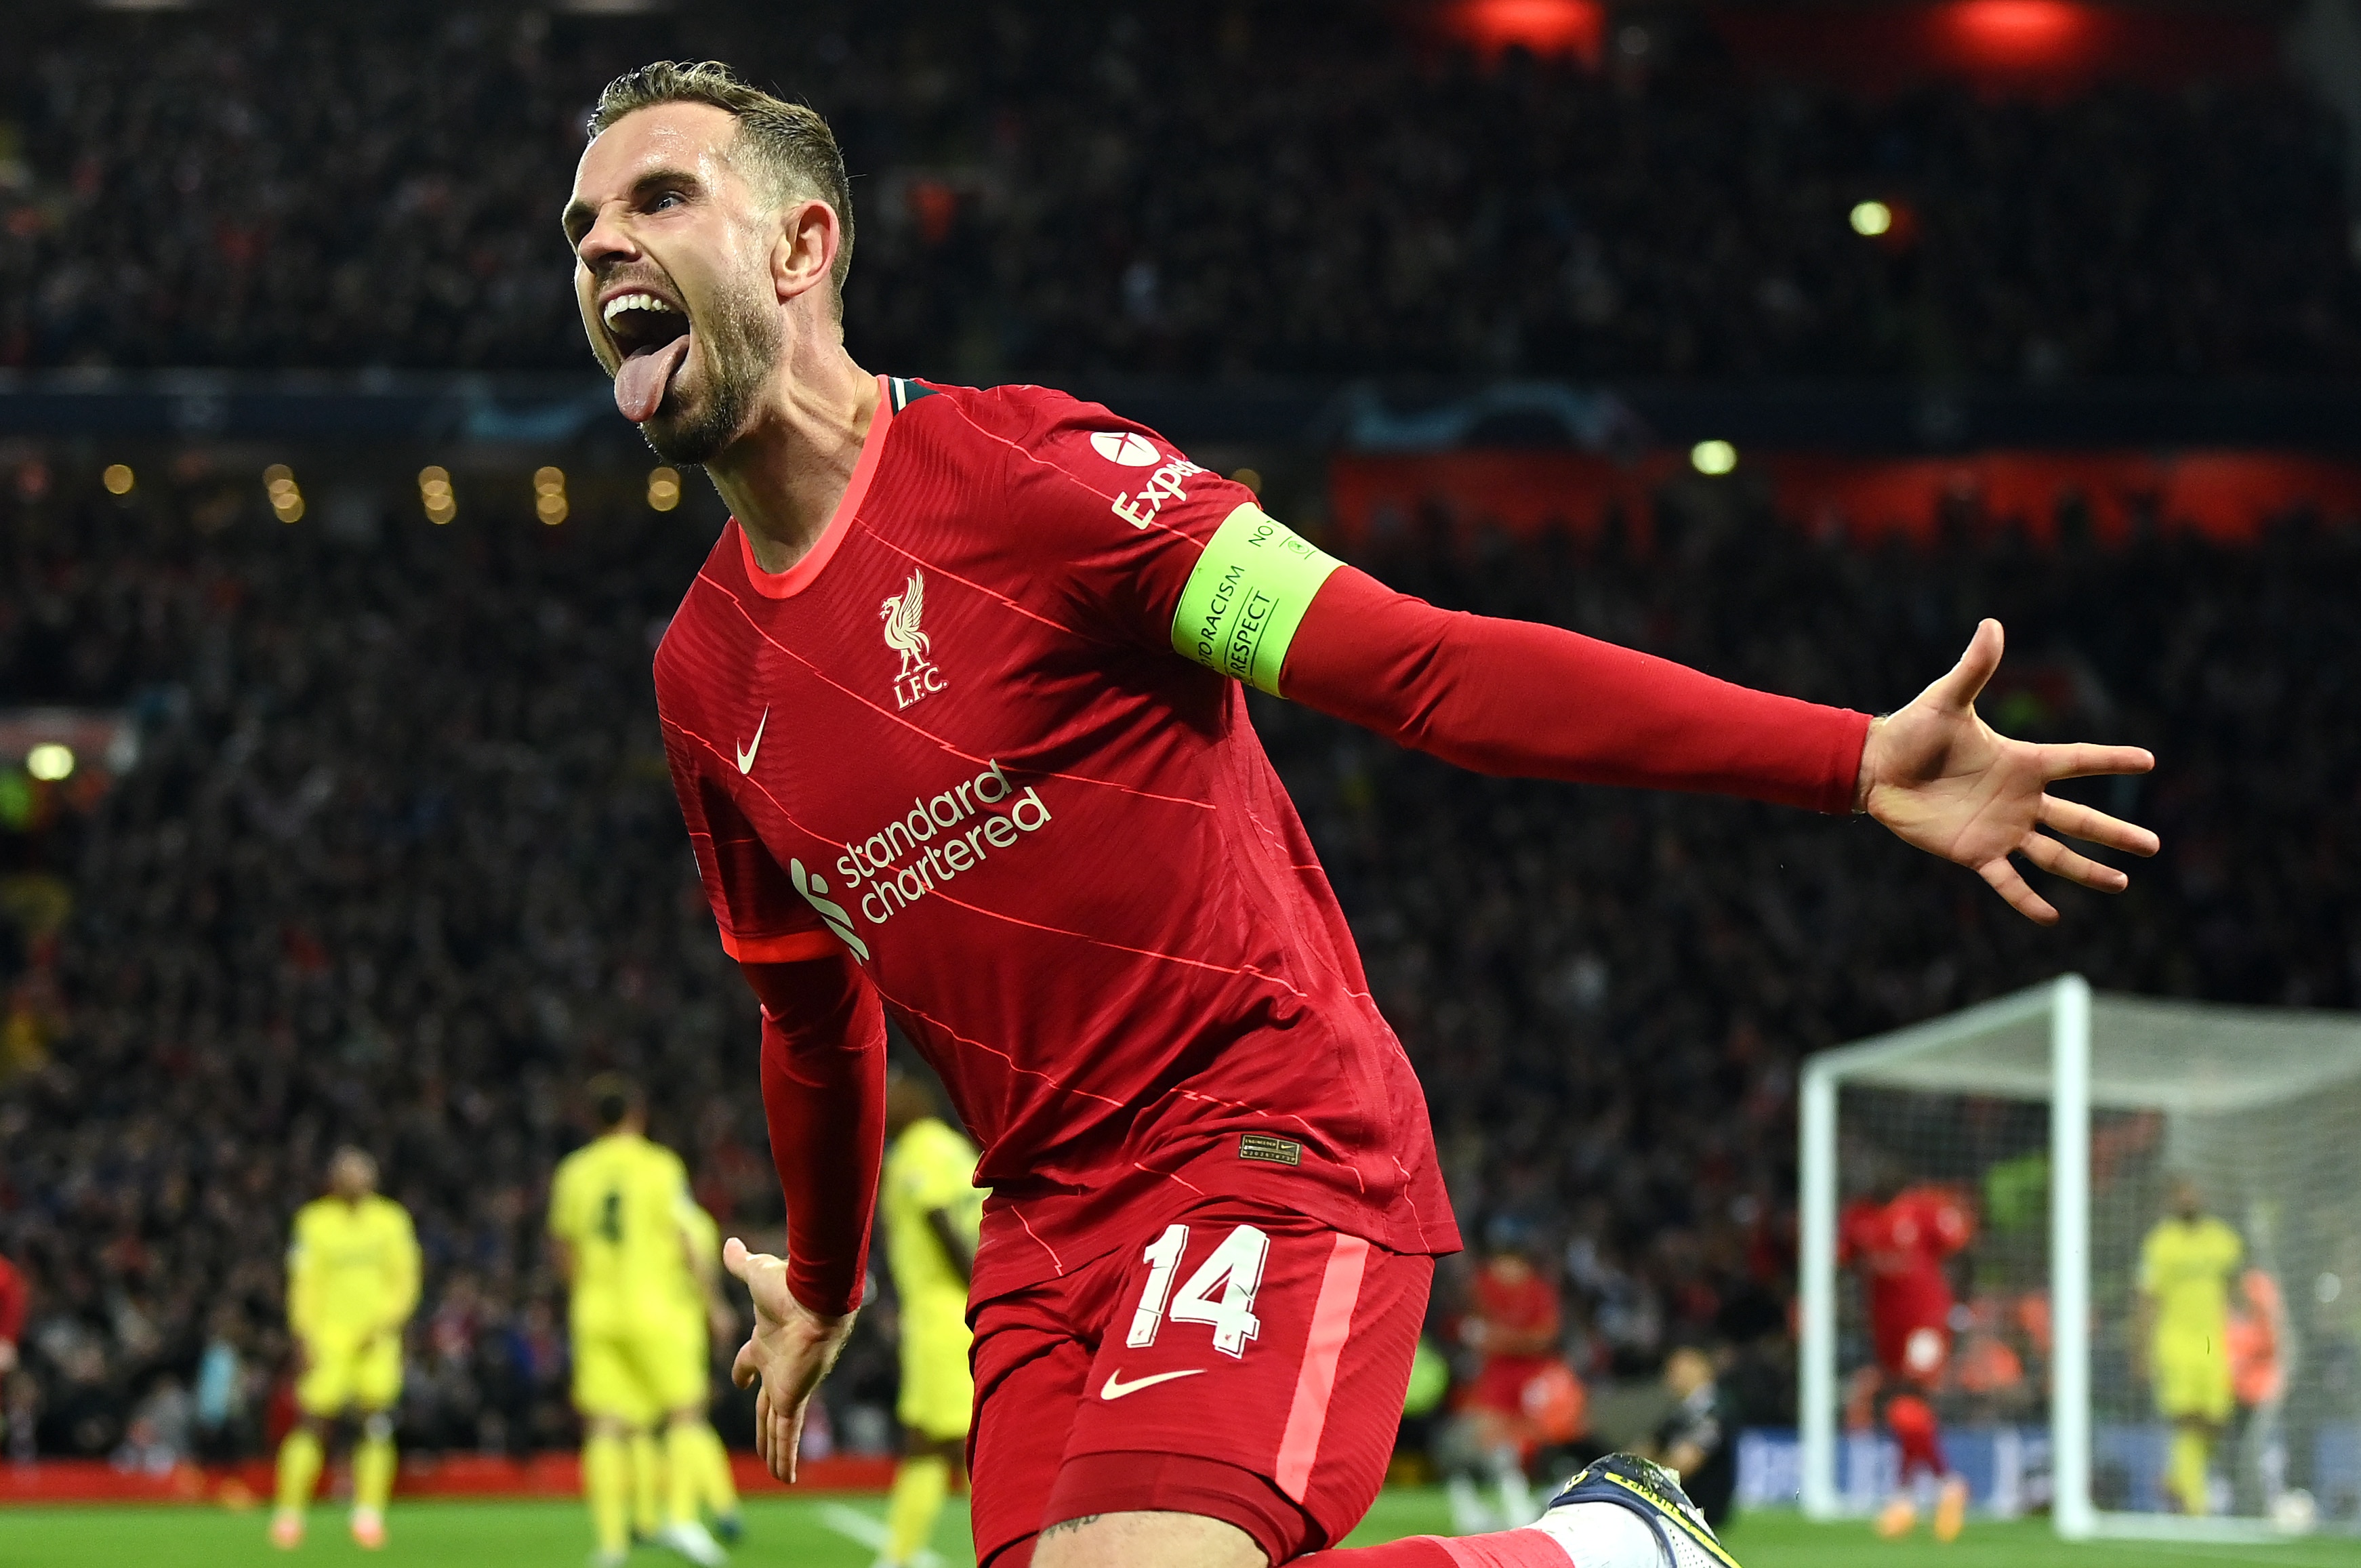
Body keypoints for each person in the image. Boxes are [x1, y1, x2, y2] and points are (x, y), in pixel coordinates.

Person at [561, 60, 2158, 1568]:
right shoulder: (703, 676)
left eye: (657, 198)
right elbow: (807, 1012)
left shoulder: (1033, 477)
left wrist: (1842, 754)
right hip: (1038, 1232)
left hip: (1256, 1131)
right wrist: (822, 1281)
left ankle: (1607, 1546)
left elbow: (1422, 668)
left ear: (801, 246)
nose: (601, 244)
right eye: (581, 226)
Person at [548, 1073, 731, 1567]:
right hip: (656, 1309)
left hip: (596, 1312)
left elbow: (563, 1250)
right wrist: (714, 1303)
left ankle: (611, 1545)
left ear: (592, 1119)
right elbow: (687, 1238)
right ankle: (681, 1520)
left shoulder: (574, 1172)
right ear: (637, 1115)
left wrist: (584, 1295)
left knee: (605, 1427)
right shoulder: (660, 1166)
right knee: (686, 1414)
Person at [269, 1147, 419, 1552]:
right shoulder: (314, 1222)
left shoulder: (391, 1220)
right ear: (334, 1180)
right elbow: (303, 1284)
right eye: (348, 1174)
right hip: (328, 1339)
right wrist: (302, 1335)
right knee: (312, 1422)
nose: (357, 1180)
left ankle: (369, 1515)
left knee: (376, 1423)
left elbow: (406, 1280)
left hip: (376, 1339)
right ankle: (289, 1514)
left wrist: (387, 1322)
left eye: (362, 1173)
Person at [876, 1064, 985, 1568]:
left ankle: (901, 1555)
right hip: (961, 1309)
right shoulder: (957, 1150)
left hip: (942, 1315)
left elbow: (939, 1220)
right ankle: (902, 1553)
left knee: (948, 1442)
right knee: (943, 1439)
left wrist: (975, 1289)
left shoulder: (914, 1156)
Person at [1836, 1180, 1973, 1542]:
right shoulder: (1859, 1219)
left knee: (1910, 1400)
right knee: (1906, 1411)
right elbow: (1843, 1260)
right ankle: (1924, 1493)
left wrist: (1959, 1303)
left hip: (1926, 1321)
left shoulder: (1923, 1210)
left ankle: (1918, 1494)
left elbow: (1961, 1248)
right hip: (1888, 1330)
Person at [1446, 1231, 1584, 1532]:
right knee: (1480, 1437)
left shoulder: (1539, 1292)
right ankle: (1479, 1505)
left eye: (1511, 1263)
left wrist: (1498, 1339)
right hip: (1496, 1375)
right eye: (1500, 1263)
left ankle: (1531, 1499)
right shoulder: (1482, 1287)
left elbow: (1544, 1337)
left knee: (1540, 1437)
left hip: (1535, 1376)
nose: (1504, 1270)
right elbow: (1466, 1326)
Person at [2135, 1178, 2242, 1516]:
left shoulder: (2223, 1239)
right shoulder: (2160, 1243)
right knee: (2186, 1419)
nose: (2188, 1199)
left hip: (2213, 1342)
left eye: (2192, 1193)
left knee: (2215, 1419)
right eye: (2181, 1194)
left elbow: (2236, 1288)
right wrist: (2141, 1349)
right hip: (2174, 1341)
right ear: (2171, 1201)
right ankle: (2196, 1503)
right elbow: (2147, 1299)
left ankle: (2176, 1478)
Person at [674, 1197, 747, 1542]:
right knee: (692, 1420)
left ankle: (683, 1514)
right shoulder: (702, 1222)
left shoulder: (670, 1219)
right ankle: (723, 1506)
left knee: (683, 1420)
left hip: (671, 1328)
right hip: (690, 1329)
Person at [1645, 1348, 1736, 1533]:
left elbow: (1684, 1464)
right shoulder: (1683, 1411)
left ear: (1701, 1368)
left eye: (1679, 1368)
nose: (1671, 1375)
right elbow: (1648, 1446)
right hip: (1681, 1504)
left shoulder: (1713, 1412)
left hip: (1700, 1508)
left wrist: (1641, 1479)